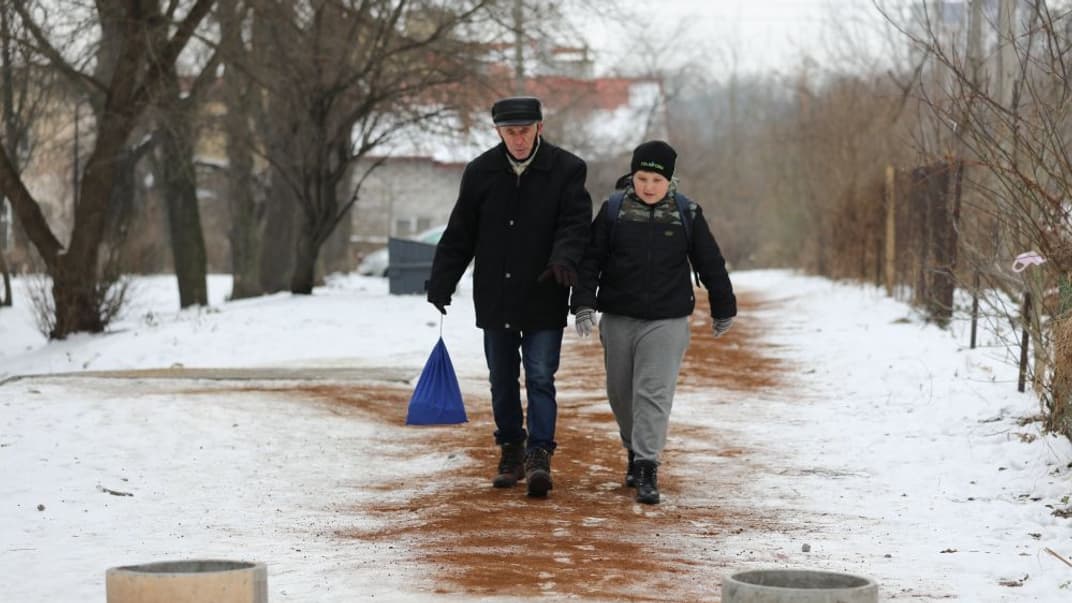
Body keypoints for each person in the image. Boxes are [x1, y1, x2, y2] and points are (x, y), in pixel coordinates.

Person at [425, 96, 592, 498]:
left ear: (540, 127)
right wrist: (441, 281)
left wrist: (564, 257)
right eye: (510, 132)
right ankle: (512, 450)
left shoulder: (567, 169)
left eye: (525, 130)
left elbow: (576, 223)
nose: (518, 140)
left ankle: (539, 455)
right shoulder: (481, 172)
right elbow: (460, 233)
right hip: (496, 295)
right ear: (498, 132)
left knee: (539, 376)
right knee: (501, 379)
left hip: (544, 292)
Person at [571, 140, 736, 505]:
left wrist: (724, 305)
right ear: (632, 176)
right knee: (621, 394)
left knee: (653, 393)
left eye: (656, 180)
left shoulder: (686, 213)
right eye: (642, 178)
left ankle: (647, 465)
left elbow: (710, 262)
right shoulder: (614, 211)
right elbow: (591, 260)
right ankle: (633, 447)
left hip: (667, 319)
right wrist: (583, 303)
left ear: (669, 180)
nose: (648, 186)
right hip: (618, 317)